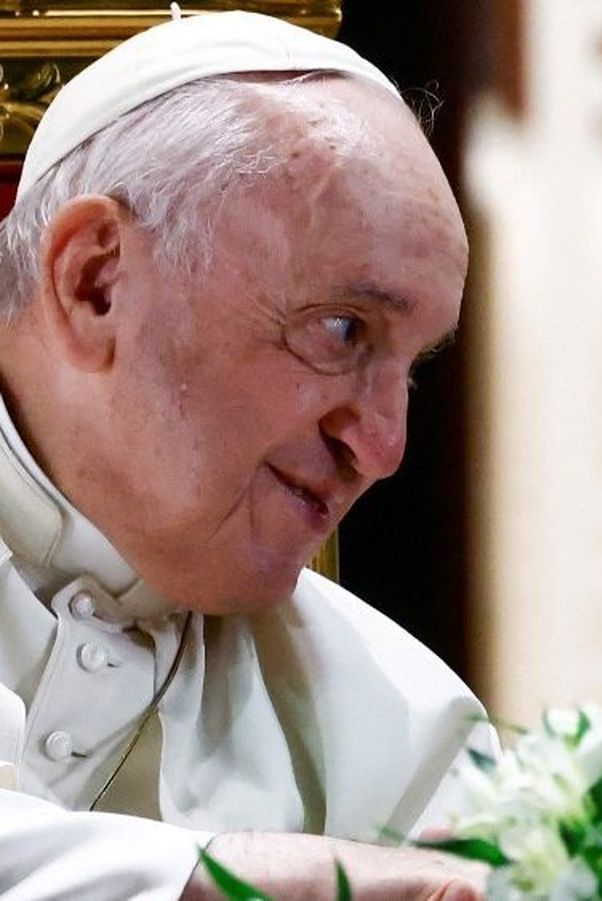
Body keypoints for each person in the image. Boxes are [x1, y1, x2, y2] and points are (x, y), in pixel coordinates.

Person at [0, 10, 493, 898]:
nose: (383, 447)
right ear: (96, 282)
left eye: (409, 367)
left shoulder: (411, 734)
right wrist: (222, 880)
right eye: (342, 330)